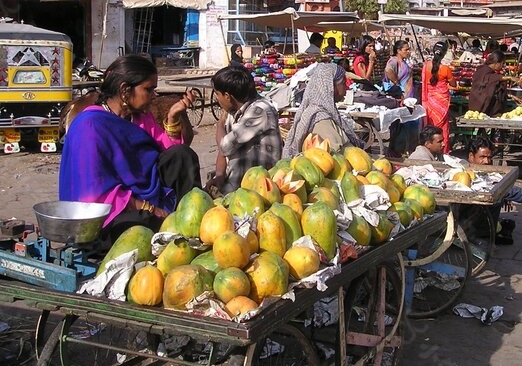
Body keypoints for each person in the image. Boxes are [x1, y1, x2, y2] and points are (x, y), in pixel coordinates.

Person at [59, 55, 201, 237]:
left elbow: (167, 154)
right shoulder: (90, 125)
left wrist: (173, 117)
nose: (153, 96)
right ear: (125, 90)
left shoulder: (140, 117)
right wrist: (149, 208)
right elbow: (95, 192)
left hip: (146, 193)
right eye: (149, 90)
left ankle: (192, 221)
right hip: (111, 209)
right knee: (142, 225)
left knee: (183, 155)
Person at [466, 137, 522, 245]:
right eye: (482, 157)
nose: (486, 161)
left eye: (489, 157)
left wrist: (504, 196)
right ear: (471, 156)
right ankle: (482, 234)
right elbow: (511, 191)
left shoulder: (483, 172)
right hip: (469, 223)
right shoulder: (465, 172)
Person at [212, 65, 283, 193]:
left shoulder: (260, 110)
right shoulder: (233, 111)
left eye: (217, 94)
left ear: (228, 96)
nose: (217, 98)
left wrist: (219, 124)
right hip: (234, 187)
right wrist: (219, 176)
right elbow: (223, 152)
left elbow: (225, 145)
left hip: (257, 191)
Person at [283, 63, 365, 157]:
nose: (346, 88)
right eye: (343, 83)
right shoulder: (321, 119)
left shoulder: (323, 112)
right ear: (330, 86)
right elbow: (336, 156)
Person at [383, 40, 418, 156]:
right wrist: (397, 83)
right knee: (400, 125)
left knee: (406, 124)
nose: (408, 52)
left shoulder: (403, 62)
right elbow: (388, 70)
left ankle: (404, 149)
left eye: (408, 49)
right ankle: (397, 151)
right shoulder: (394, 61)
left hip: (408, 97)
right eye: (406, 49)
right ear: (398, 51)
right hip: (401, 98)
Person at [421, 41, 457, 152]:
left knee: (430, 127)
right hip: (441, 104)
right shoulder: (446, 69)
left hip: (429, 103)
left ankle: (429, 150)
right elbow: (453, 84)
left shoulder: (426, 66)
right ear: (445, 53)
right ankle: (443, 152)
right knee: (443, 128)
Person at [468, 50, 509, 117]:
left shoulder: (486, 71)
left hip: (477, 107)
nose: (502, 66)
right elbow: (491, 79)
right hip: (478, 106)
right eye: (502, 63)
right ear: (497, 63)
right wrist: (509, 78)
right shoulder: (484, 71)